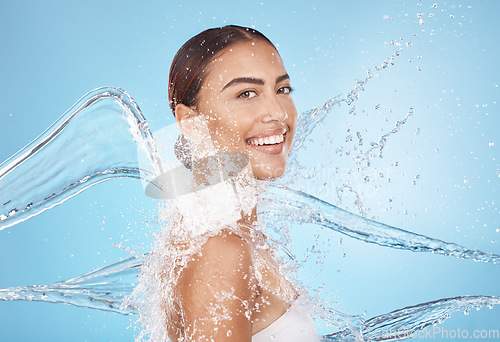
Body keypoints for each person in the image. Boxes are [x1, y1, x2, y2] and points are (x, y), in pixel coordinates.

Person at [135, 25, 319, 342]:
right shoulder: (220, 248)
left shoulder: (226, 233)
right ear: (192, 122)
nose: (277, 112)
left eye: (283, 89)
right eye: (246, 94)